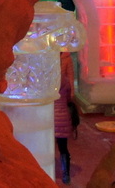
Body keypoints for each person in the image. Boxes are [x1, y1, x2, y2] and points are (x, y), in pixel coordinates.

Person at [54, 51, 76, 184]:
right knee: (63, 148)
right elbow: (68, 98)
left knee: (49, 147)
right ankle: (66, 173)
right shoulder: (65, 81)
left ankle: (48, 170)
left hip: (50, 118)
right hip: (62, 118)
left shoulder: (47, 82)